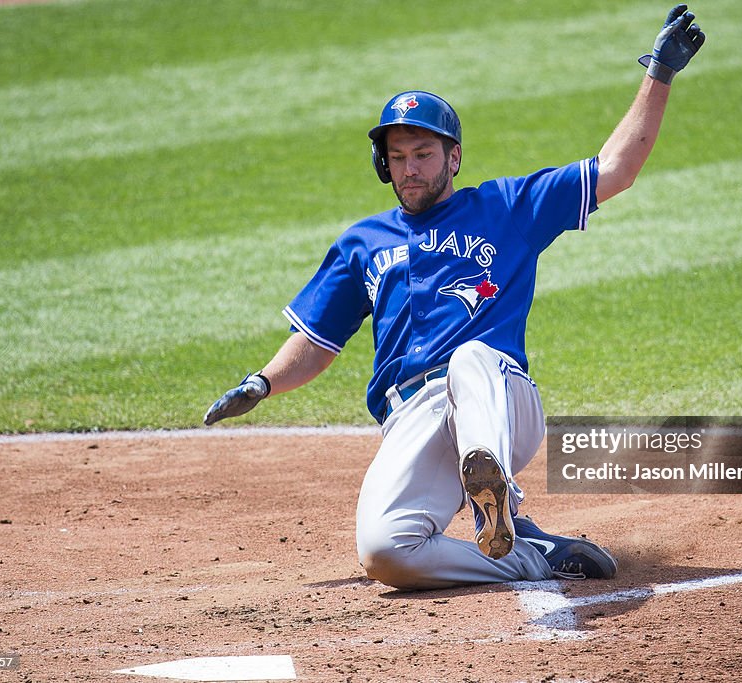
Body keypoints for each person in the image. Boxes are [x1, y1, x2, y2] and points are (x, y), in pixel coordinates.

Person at [204, 5, 705, 590]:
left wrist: (659, 74)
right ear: (382, 164)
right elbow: (316, 344)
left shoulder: (505, 208)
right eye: (397, 157)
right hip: (412, 417)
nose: (409, 169)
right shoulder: (362, 243)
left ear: (453, 158)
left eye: (422, 154)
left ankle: (498, 497)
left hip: (497, 396)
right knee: (385, 551)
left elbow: (615, 169)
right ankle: (529, 555)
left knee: (468, 357)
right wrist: (263, 382)